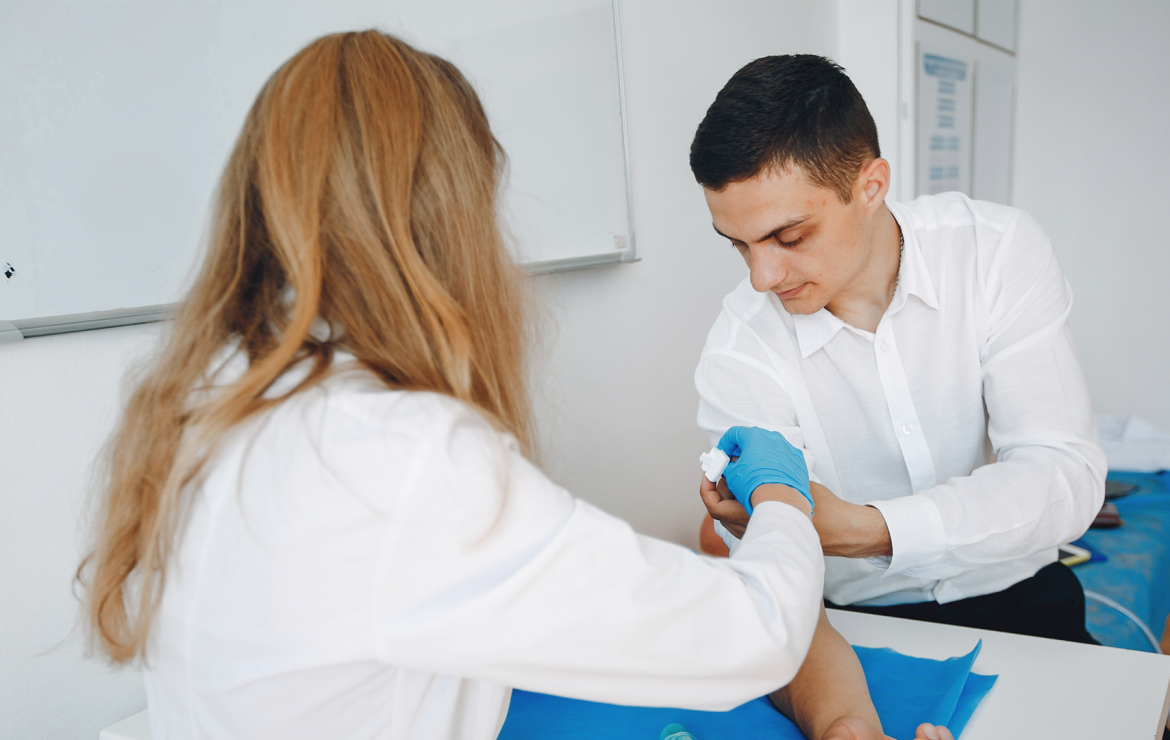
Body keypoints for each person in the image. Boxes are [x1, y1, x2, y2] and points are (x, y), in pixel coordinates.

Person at [76, 33, 949, 740]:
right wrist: (787, 497)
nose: (762, 278)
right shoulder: (402, 456)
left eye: (787, 237)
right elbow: (749, 631)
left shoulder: (214, 403)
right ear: (448, 218)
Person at [690, 54, 1106, 644]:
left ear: (871, 186)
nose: (762, 277)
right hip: (853, 629)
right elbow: (774, 532)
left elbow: (1063, 475)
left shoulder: (995, 254)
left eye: (789, 237)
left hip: (1026, 600)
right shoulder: (741, 346)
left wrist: (871, 528)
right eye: (739, 244)